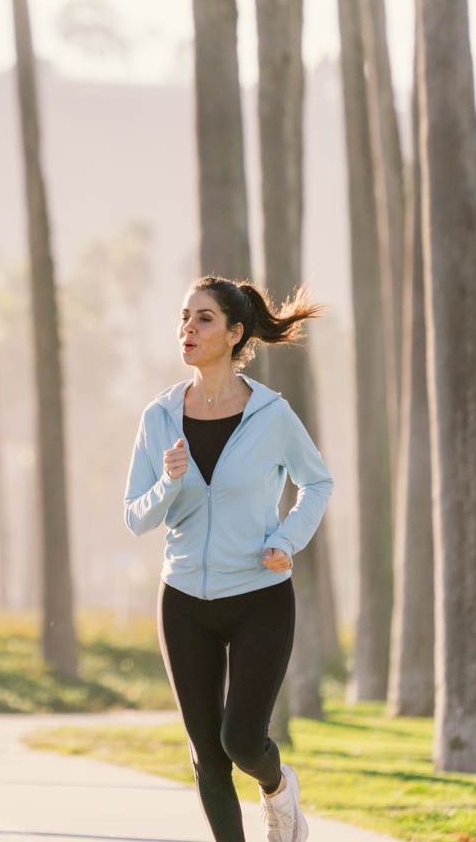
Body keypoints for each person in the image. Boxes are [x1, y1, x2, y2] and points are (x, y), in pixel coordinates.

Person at [123, 276, 333, 842]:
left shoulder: (271, 414)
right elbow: (135, 516)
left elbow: (317, 482)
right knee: (207, 754)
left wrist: (287, 539)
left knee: (240, 741)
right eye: (183, 317)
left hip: (259, 596)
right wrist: (167, 484)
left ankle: (278, 789)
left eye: (204, 318)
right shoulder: (159, 416)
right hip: (184, 600)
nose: (187, 329)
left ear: (235, 333)